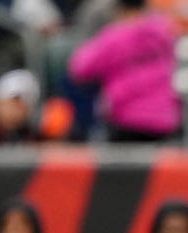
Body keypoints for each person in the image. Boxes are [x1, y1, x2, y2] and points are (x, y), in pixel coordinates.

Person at [68, 0, 180, 141]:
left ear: (119, 9)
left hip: (126, 120)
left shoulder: (116, 36)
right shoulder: (164, 32)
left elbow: (79, 67)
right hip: (164, 120)